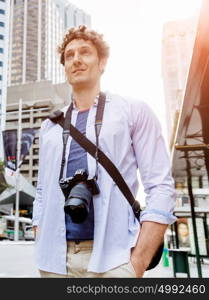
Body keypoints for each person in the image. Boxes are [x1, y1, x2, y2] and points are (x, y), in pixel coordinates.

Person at [32, 25, 177, 278]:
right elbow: (42, 191)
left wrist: (139, 260)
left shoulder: (133, 111)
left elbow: (160, 186)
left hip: (116, 258)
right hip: (54, 261)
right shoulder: (50, 127)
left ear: (102, 62)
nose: (76, 59)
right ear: (64, 67)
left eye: (85, 52)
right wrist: (39, 235)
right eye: (69, 55)